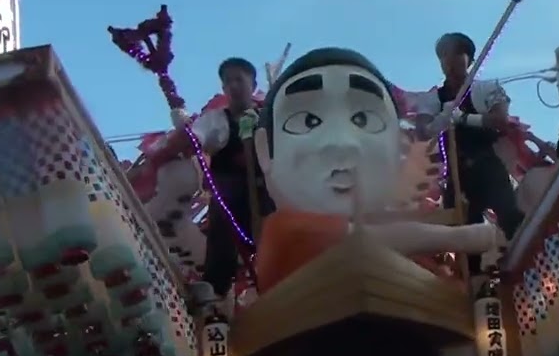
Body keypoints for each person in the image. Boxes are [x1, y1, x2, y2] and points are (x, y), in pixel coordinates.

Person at [251, 48, 501, 293]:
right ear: (264, 150)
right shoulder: (285, 231)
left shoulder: (414, 255)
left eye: (364, 120)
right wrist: (457, 238)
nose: (342, 142)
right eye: (308, 121)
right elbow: (363, 240)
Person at [412, 33, 525, 254]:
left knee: (509, 215)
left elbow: (500, 121)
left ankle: (523, 255)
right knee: (463, 236)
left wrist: (463, 118)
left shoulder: (486, 89)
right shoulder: (433, 99)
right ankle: (475, 281)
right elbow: (423, 132)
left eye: (456, 53)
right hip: (456, 175)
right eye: (444, 55)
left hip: (487, 166)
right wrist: (439, 122)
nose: (450, 60)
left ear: (469, 59)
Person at [171, 57, 274, 295]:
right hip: (231, 198)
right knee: (225, 202)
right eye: (228, 82)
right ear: (223, 88)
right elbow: (195, 138)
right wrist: (184, 128)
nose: (234, 86)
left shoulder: (269, 118)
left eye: (239, 79)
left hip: (267, 194)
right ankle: (215, 287)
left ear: (253, 83)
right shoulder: (216, 120)